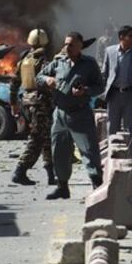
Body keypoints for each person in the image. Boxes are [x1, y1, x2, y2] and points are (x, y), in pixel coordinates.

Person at [36, 32, 104, 200]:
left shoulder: (89, 64)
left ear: (80, 45)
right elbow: (38, 77)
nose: (67, 47)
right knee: (59, 151)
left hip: (80, 114)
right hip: (60, 114)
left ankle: (98, 187)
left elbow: (100, 86)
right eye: (66, 44)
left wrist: (85, 91)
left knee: (89, 152)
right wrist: (47, 80)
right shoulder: (59, 62)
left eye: (71, 45)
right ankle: (62, 187)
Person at [9, 28, 55, 186]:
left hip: (28, 102)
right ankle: (20, 170)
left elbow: (14, 83)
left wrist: (13, 103)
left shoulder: (24, 59)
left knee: (47, 137)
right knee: (37, 138)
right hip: (40, 103)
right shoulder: (44, 60)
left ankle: (51, 173)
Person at [101, 25, 132, 156]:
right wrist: (100, 91)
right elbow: (104, 73)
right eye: (131, 36)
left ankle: (130, 154)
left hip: (130, 95)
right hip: (114, 94)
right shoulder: (110, 51)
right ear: (121, 37)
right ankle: (112, 154)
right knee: (112, 126)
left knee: (130, 128)